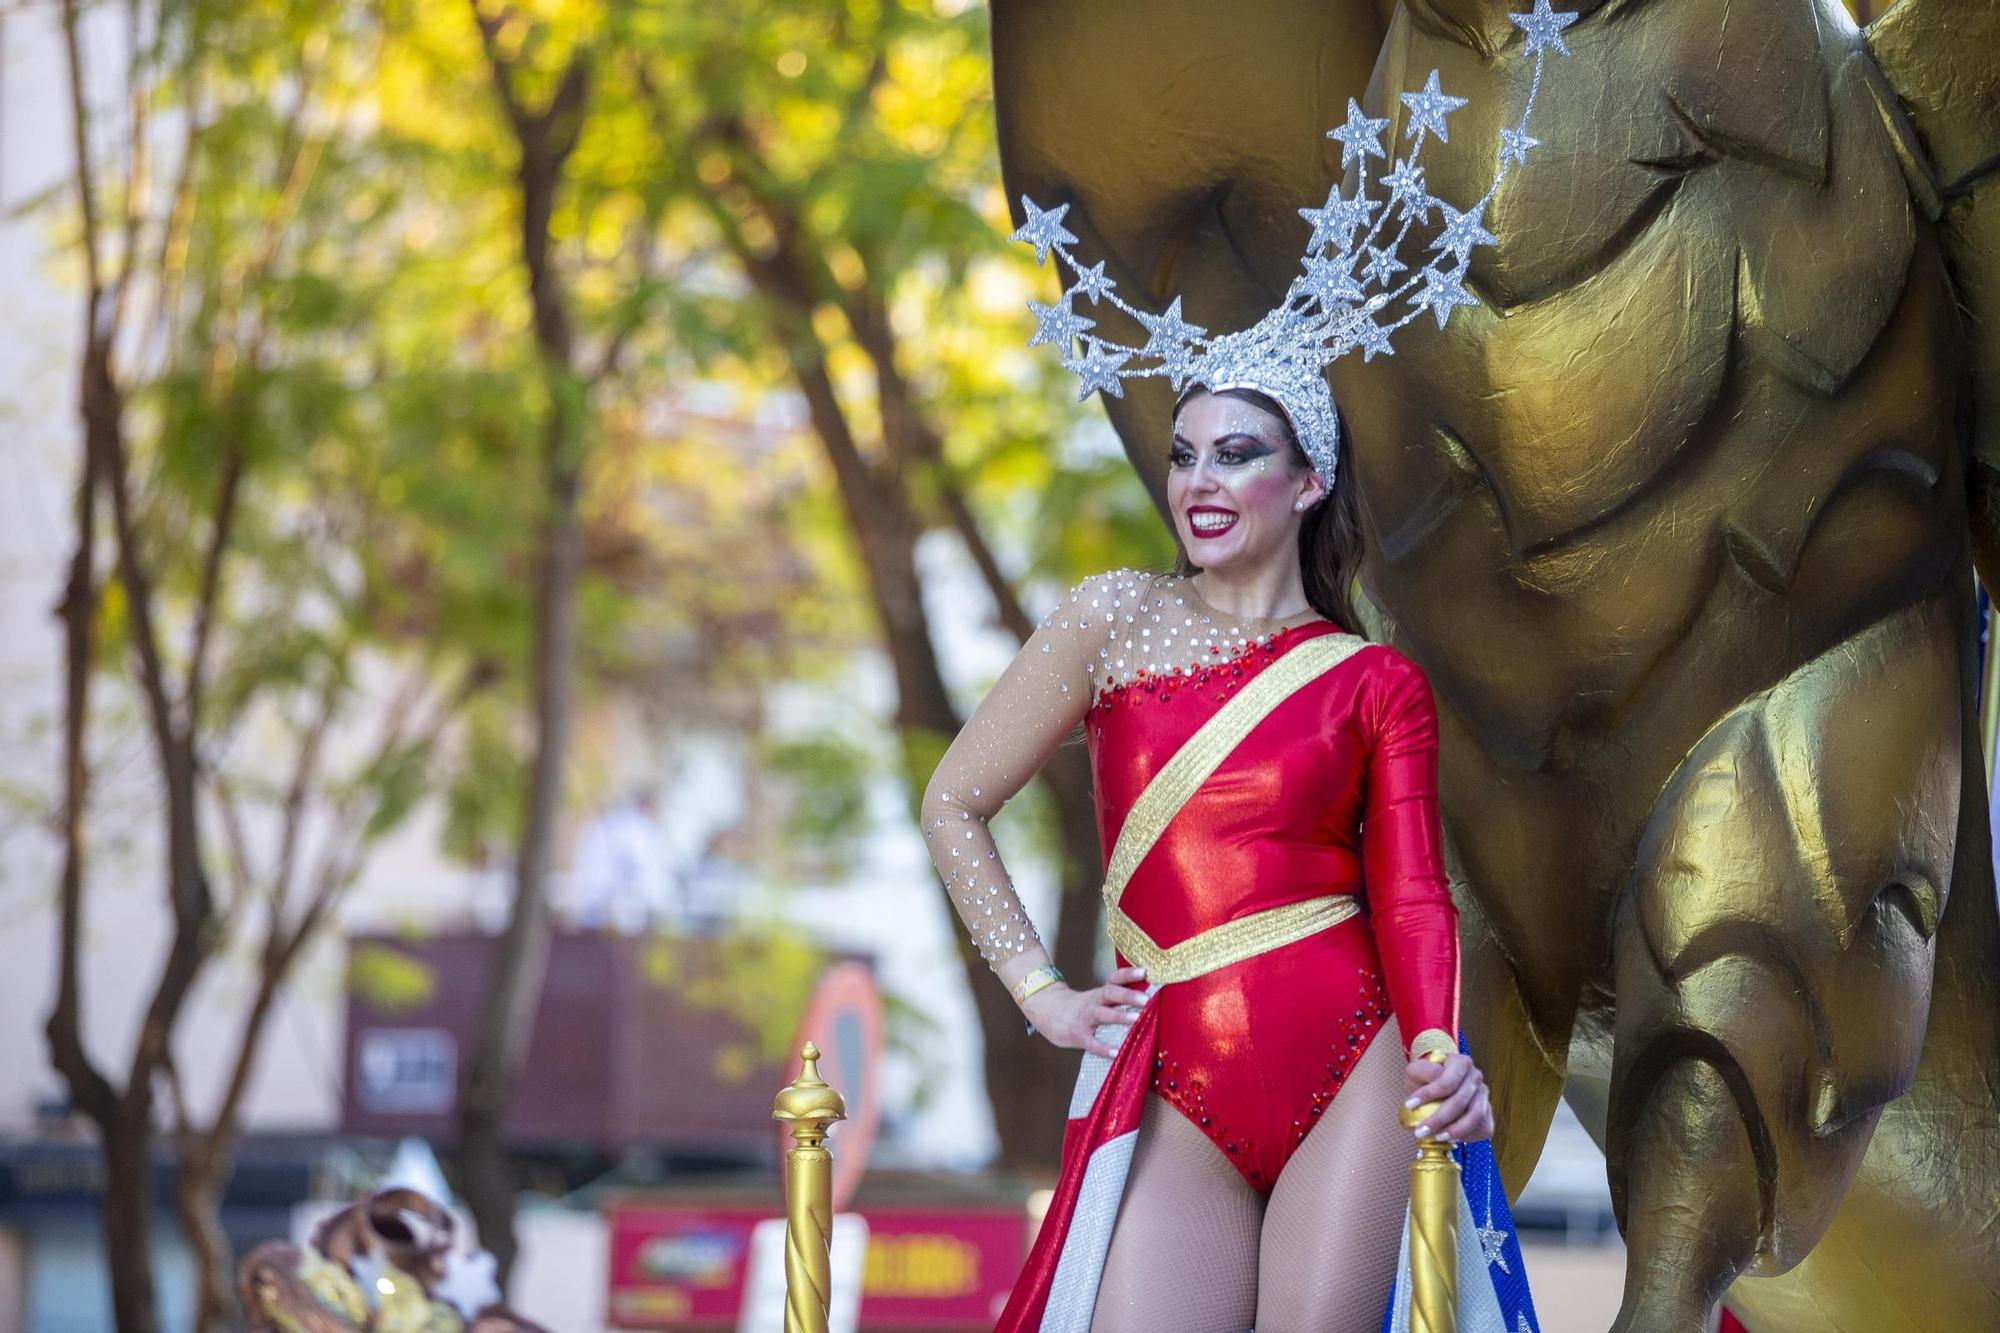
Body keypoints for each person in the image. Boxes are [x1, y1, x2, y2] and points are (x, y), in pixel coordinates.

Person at [922, 385, 1496, 1332]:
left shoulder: (1374, 680)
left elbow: (1412, 895)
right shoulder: (1112, 618)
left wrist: (1435, 1042)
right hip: (1172, 1080)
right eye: (1184, 455)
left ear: (1309, 479)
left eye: (1236, 454)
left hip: (1357, 1059)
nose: (1200, 480)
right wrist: (1044, 995)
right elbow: (952, 804)